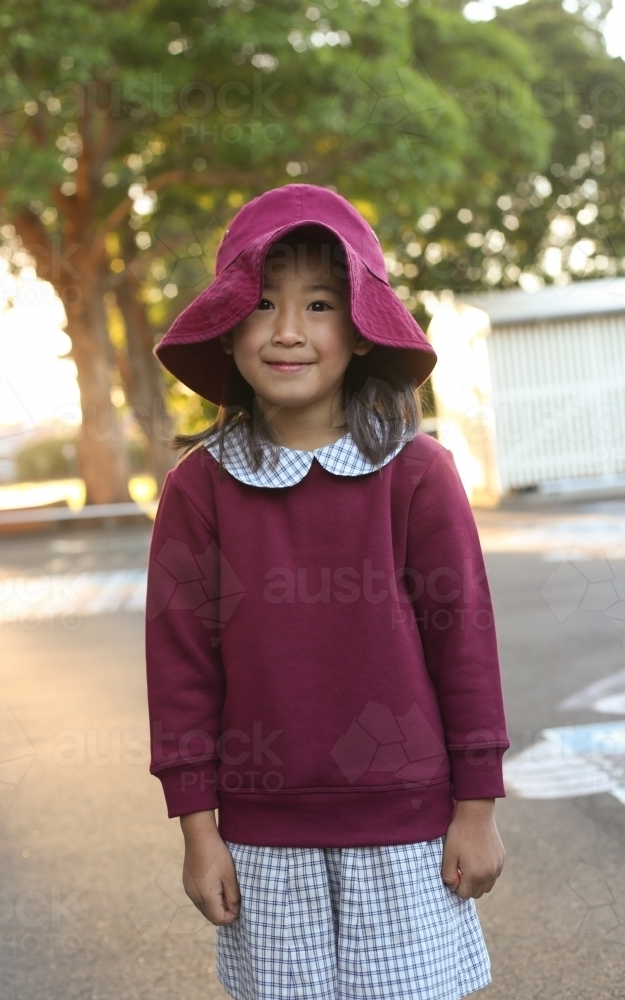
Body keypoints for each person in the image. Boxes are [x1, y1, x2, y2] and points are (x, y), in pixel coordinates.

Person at [145, 183, 510, 1000]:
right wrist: (197, 832)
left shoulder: (418, 476)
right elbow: (179, 672)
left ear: (359, 329)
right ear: (229, 324)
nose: (286, 331)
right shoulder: (197, 491)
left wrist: (476, 807)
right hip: (260, 840)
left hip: (408, 831)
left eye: (318, 304)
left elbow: (464, 643)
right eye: (263, 303)